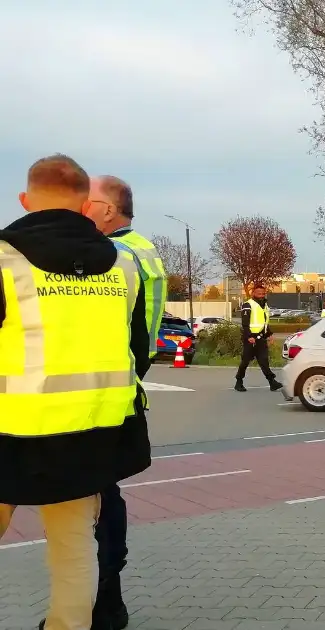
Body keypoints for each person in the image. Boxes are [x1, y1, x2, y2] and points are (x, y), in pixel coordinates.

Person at [0, 154, 151, 630]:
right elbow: (136, 349)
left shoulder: (5, 261)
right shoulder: (123, 267)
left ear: (26, 200)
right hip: (91, 433)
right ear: (85, 204)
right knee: (74, 550)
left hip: (10, 430)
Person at [83, 175, 164, 630]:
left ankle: (105, 599)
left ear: (109, 210)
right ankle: (108, 595)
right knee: (105, 492)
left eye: (87, 202)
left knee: (96, 495)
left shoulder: (116, 256)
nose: (80, 210)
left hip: (108, 382)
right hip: (129, 378)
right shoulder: (142, 248)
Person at [235, 284, 282, 393]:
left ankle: (272, 382)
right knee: (245, 361)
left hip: (261, 339)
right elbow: (245, 324)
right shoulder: (248, 305)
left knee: (264, 361)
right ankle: (239, 381)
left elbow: (264, 322)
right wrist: (249, 336)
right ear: (253, 294)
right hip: (250, 339)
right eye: (258, 293)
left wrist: (269, 334)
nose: (261, 295)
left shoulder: (265, 306)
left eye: (263, 293)